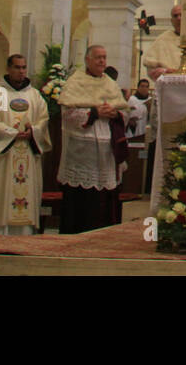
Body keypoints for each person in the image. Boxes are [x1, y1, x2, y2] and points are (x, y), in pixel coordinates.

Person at [57, 45, 128, 232]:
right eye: (98, 57)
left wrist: (114, 113)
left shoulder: (110, 84)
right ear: (87, 60)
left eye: (104, 57)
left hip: (106, 153)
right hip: (82, 153)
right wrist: (95, 112)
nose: (102, 61)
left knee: (104, 199)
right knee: (82, 201)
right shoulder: (75, 82)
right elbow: (68, 115)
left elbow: (125, 113)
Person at [0, 54, 52, 236]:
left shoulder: (34, 95)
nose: (21, 71)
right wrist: (12, 133)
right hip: (5, 155)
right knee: (3, 192)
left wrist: (33, 131)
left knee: (25, 194)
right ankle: (0, 232)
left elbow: (44, 119)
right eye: (17, 67)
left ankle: (25, 233)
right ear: (8, 69)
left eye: (24, 67)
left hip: (28, 152)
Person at [143, 4, 186, 77]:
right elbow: (151, 70)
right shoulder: (162, 39)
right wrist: (166, 71)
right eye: (175, 16)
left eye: (181, 15)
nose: (179, 18)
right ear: (171, 20)